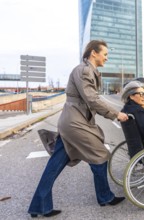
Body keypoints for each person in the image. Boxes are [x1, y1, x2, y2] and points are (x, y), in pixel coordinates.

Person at [28, 40, 128, 218]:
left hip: (74, 121)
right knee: (99, 154)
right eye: (104, 54)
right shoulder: (84, 70)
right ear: (93, 53)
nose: (107, 57)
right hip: (75, 123)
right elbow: (92, 99)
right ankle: (105, 196)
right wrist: (115, 114)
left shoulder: (89, 71)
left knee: (55, 164)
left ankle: (39, 206)